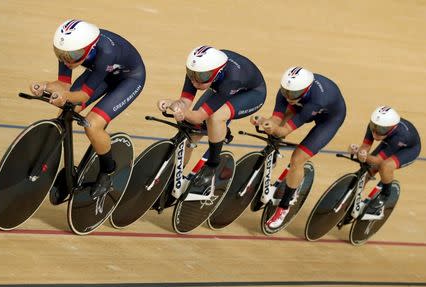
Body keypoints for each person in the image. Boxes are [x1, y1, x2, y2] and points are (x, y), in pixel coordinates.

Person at [30, 19, 146, 200]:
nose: (67, 60)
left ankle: (107, 172)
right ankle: (67, 169)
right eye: (61, 54)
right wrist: (44, 85)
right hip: (102, 72)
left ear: (90, 47)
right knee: (65, 112)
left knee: (92, 125)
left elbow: (83, 95)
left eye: (73, 55)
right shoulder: (69, 50)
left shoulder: (107, 51)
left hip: (128, 80)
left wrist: (64, 96)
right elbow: (63, 84)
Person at [157, 45, 266, 191]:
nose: (195, 82)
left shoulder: (230, 78)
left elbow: (198, 117)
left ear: (218, 72)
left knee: (215, 117)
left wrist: (176, 107)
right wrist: (175, 105)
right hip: (222, 87)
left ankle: (213, 164)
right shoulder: (198, 70)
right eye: (192, 75)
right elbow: (185, 103)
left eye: (201, 77)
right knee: (191, 132)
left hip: (251, 93)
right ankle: (171, 177)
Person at [251, 66, 346, 229]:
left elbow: (284, 129)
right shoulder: (288, 92)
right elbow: (276, 119)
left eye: (292, 94)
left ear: (306, 90)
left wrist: (274, 128)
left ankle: (284, 208)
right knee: (277, 127)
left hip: (329, 119)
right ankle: (272, 158)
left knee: (297, 159)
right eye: (285, 92)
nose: (288, 97)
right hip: (303, 104)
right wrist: (265, 122)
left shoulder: (317, 100)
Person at [349, 106, 421, 219]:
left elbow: (377, 160)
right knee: (368, 169)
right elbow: (366, 146)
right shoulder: (375, 126)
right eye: (374, 127)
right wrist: (360, 152)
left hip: (408, 149)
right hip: (390, 142)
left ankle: (385, 194)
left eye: (381, 130)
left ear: (392, 127)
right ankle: (351, 199)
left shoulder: (401, 135)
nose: (376, 133)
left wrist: (359, 154)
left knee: (385, 166)